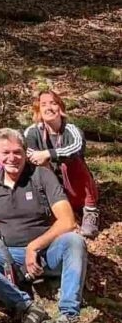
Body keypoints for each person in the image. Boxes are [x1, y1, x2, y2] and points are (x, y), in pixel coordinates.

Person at [0, 128, 88, 323]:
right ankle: (26, 307)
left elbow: (68, 221)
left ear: (25, 153)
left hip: (48, 251)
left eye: (17, 152)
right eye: (5, 152)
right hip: (9, 256)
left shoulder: (41, 176)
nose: (12, 157)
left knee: (75, 241)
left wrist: (35, 246)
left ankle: (68, 320)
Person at [25, 91, 100, 238]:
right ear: (38, 111)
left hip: (75, 187)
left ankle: (90, 211)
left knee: (71, 161)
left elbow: (77, 148)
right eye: (44, 104)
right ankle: (54, 214)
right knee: (38, 168)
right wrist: (43, 161)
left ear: (61, 108)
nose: (49, 108)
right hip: (53, 189)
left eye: (53, 103)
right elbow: (30, 154)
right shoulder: (32, 132)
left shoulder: (71, 130)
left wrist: (48, 154)